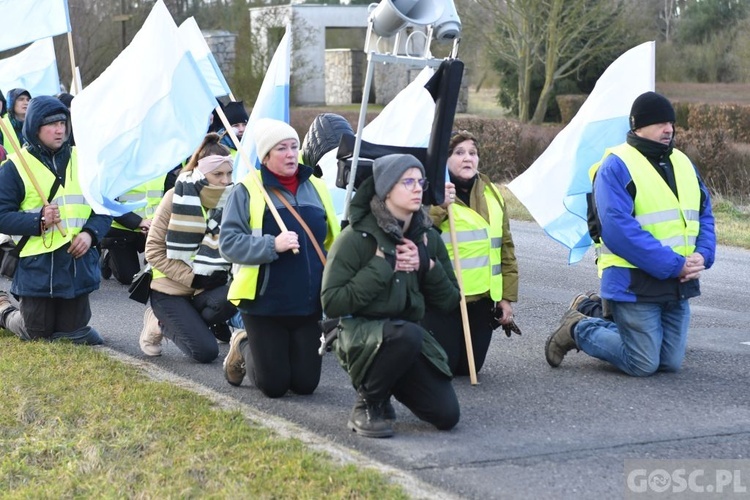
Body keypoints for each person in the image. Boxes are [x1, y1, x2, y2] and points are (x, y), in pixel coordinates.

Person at [545, 91, 716, 376]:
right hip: (634, 282)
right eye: (660, 123)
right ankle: (578, 327)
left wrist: (702, 255)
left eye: (671, 122)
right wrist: (676, 265)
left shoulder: (683, 163)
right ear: (637, 126)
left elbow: (705, 215)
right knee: (643, 363)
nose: (669, 129)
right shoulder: (616, 165)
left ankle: (592, 309)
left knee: (669, 363)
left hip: (677, 283)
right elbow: (617, 230)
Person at [321, 153, 461, 439]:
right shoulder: (356, 237)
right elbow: (331, 302)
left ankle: (384, 387)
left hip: (406, 340)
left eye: (419, 181)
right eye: (406, 181)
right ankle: (368, 403)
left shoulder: (427, 238)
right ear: (386, 190)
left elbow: (450, 301)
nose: (417, 188)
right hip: (358, 336)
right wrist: (383, 265)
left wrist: (427, 266)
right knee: (407, 334)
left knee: (447, 416)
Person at [220, 118, 339, 398]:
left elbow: (331, 239)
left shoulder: (317, 187)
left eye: (294, 146)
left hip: (308, 304)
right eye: (281, 148)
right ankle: (244, 343)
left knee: (305, 386)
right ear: (266, 156)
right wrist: (272, 244)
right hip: (264, 305)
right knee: (274, 387)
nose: (290, 154)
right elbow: (228, 243)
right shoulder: (247, 189)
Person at [0, 95, 112, 344]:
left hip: (76, 264)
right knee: (36, 333)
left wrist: (90, 234)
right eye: (51, 124)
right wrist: (38, 220)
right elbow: (1, 216)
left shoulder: (84, 160)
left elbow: (104, 208)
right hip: (37, 266)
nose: (59, 129)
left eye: (62, 123)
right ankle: (3, 311)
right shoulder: (15, 167)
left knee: (75, 334)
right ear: (34, 127)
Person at [423, 130, 519, 375]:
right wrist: (438, 207)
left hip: (481, 301)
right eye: (459, 152)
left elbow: (505, 248)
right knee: (445, 367)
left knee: (468, 369)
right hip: (443, 300)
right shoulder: (429, 194)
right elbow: (413, 235)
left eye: (473, 153)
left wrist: (506, 298)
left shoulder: (494, 194)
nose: (468, 158)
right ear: (444, 161)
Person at [141, 133, 237, 361]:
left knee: (237, 294)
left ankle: (189, 323)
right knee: (206, 352)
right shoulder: (174, 197)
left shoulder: (233, 197)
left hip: (207, 287)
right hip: (169, 289)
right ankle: (158, 322)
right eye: (218, 174)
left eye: (229, 173)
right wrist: (193, 278)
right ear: (200, 173)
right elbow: (153, 251)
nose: (225, 180)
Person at [100, 174, 167, 285]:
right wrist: (139, 222)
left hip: (152, 227)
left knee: (157, 276)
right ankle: (108, 258)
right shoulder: (118, 167)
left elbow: (171, 199)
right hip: (121, 230)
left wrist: (157, 223)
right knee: (129, 278)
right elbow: (109, 204)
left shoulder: (162, 166)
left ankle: (152, 261)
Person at [1, 89, 31, 155]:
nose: (26, 103)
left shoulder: (35, 125)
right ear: (11, 102)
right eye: (21, 99)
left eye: (28, 100)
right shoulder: (2, 125)